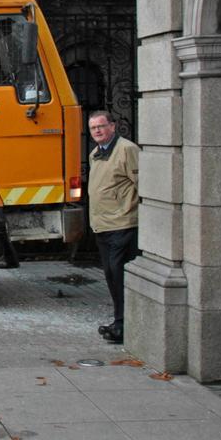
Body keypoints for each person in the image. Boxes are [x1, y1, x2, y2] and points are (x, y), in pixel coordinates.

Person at [86, 110, 140, 345]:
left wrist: (128, 210)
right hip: (102, 226)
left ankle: (124, 324)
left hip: (122, 224)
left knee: (119, 272)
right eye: (93, 128)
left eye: (101, 126)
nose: (97, 131)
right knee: (110, 274)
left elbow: (142, 184)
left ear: (113, 127)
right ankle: (120, 321)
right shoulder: (95, 154)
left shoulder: (127, 150)